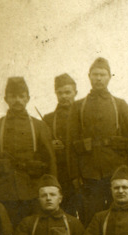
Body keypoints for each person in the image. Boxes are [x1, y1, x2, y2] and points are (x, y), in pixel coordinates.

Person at [68, 57, 128, 227]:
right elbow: (71, 143)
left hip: (115, 173)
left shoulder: (120, 105)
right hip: (89, 175)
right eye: (95, 74)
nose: (98, 78)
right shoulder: (78, 107)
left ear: (109, 77)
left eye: (102, 74)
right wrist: (75, 175)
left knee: (119, 217)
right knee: (91, 218)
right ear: (89, 76)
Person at [0, 77, 57, 227]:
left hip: (33, 192)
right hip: (3, 192)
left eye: (21, 96)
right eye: (13, 96)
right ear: (6, 99)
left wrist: (52, 190)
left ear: (27, 98)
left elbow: (50, 161)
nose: (17, 100)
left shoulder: (39, 126)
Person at [42, 73, 81, 219]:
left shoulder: (83, 115)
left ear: (75, 93)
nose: (64, 96)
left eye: (67, 92)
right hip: (61, 176)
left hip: (82, 175)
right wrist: (50, 145)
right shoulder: (48, 119)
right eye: (60, 93)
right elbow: (42, 148)